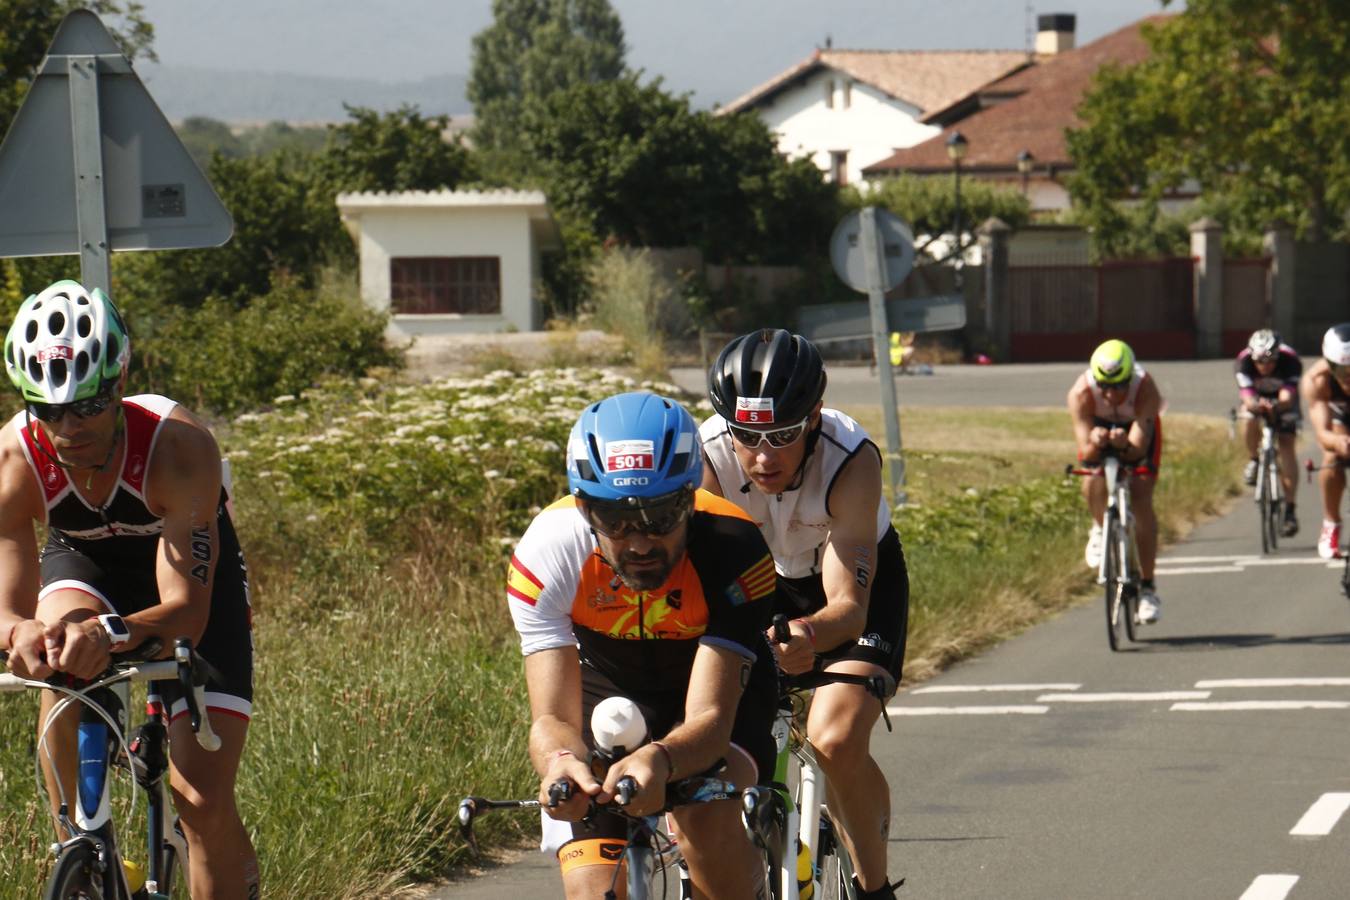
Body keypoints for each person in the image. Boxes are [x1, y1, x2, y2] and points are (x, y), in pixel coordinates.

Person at [0, 281, 258, 898]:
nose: (69, 427)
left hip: (187, 587)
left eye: (87, 406)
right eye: (50, 410)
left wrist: (113, 632)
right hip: (85, 560)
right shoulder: (16, 456)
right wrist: (21, 631)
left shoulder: (178, 447)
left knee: (199, 800)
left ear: (117, 384)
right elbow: (8, 603)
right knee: (56, 651)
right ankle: (79, 844)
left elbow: (187, 613)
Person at [506, 391, 778, 899]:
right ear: (584, 509)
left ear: (691, 498)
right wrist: (561, 760)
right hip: (607, 679)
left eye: (660, 516)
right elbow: (550, 719)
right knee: (592, 890)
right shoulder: (547, 555)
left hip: (707, 682)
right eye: (615, 520)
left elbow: (711, 722)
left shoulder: (737, 551)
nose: (639, 542)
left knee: (708, 832)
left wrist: (664, 760)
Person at [700, 329, 909, 900]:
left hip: (842, 587)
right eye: (747, 436)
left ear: (814, 417)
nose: (763, 457)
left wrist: (809, 635)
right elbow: (702, 587)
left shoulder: (852, 459)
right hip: (757, 581)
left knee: (833, 738)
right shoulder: (708, 458)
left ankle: (873, 888)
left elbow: (847, 607)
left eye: (783, 436)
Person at [1068, 339, 1165, 624]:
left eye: (1119, 386)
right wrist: (1096, 442)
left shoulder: (1145, 388)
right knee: (1092, 478)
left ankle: (1148, 588)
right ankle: (1100, 527)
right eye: (1104, 387)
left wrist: (1125, 445)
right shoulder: (1081, 393)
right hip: (1097, 427)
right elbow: (1085, 451)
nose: (1111, 394)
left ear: (1129, 378)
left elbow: (1139, 448)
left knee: (1141, 495)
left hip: (1136, 430)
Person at [1234, 328, 1302, 537]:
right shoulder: (1243, 362)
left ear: (1278, 356)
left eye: (1270, 362)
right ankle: (1254, 459)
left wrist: (1277, 407)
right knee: (1248, 417)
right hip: (1257, 397)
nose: (1264, 367)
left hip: (1284, 400)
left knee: (1286, 443)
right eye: (1260, 362)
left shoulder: (1291, 360)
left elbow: (1288, 396)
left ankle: (1290, 509)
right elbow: (1246, 395)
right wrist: (1256, 405)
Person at [1299, 323, 1350, 559]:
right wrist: (1340, 443)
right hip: (1340, 422)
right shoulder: (1317, 381)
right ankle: (1331, 524)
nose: (1348, 378)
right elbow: (1322, 433)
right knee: (1332, 457)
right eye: (1342, 371)